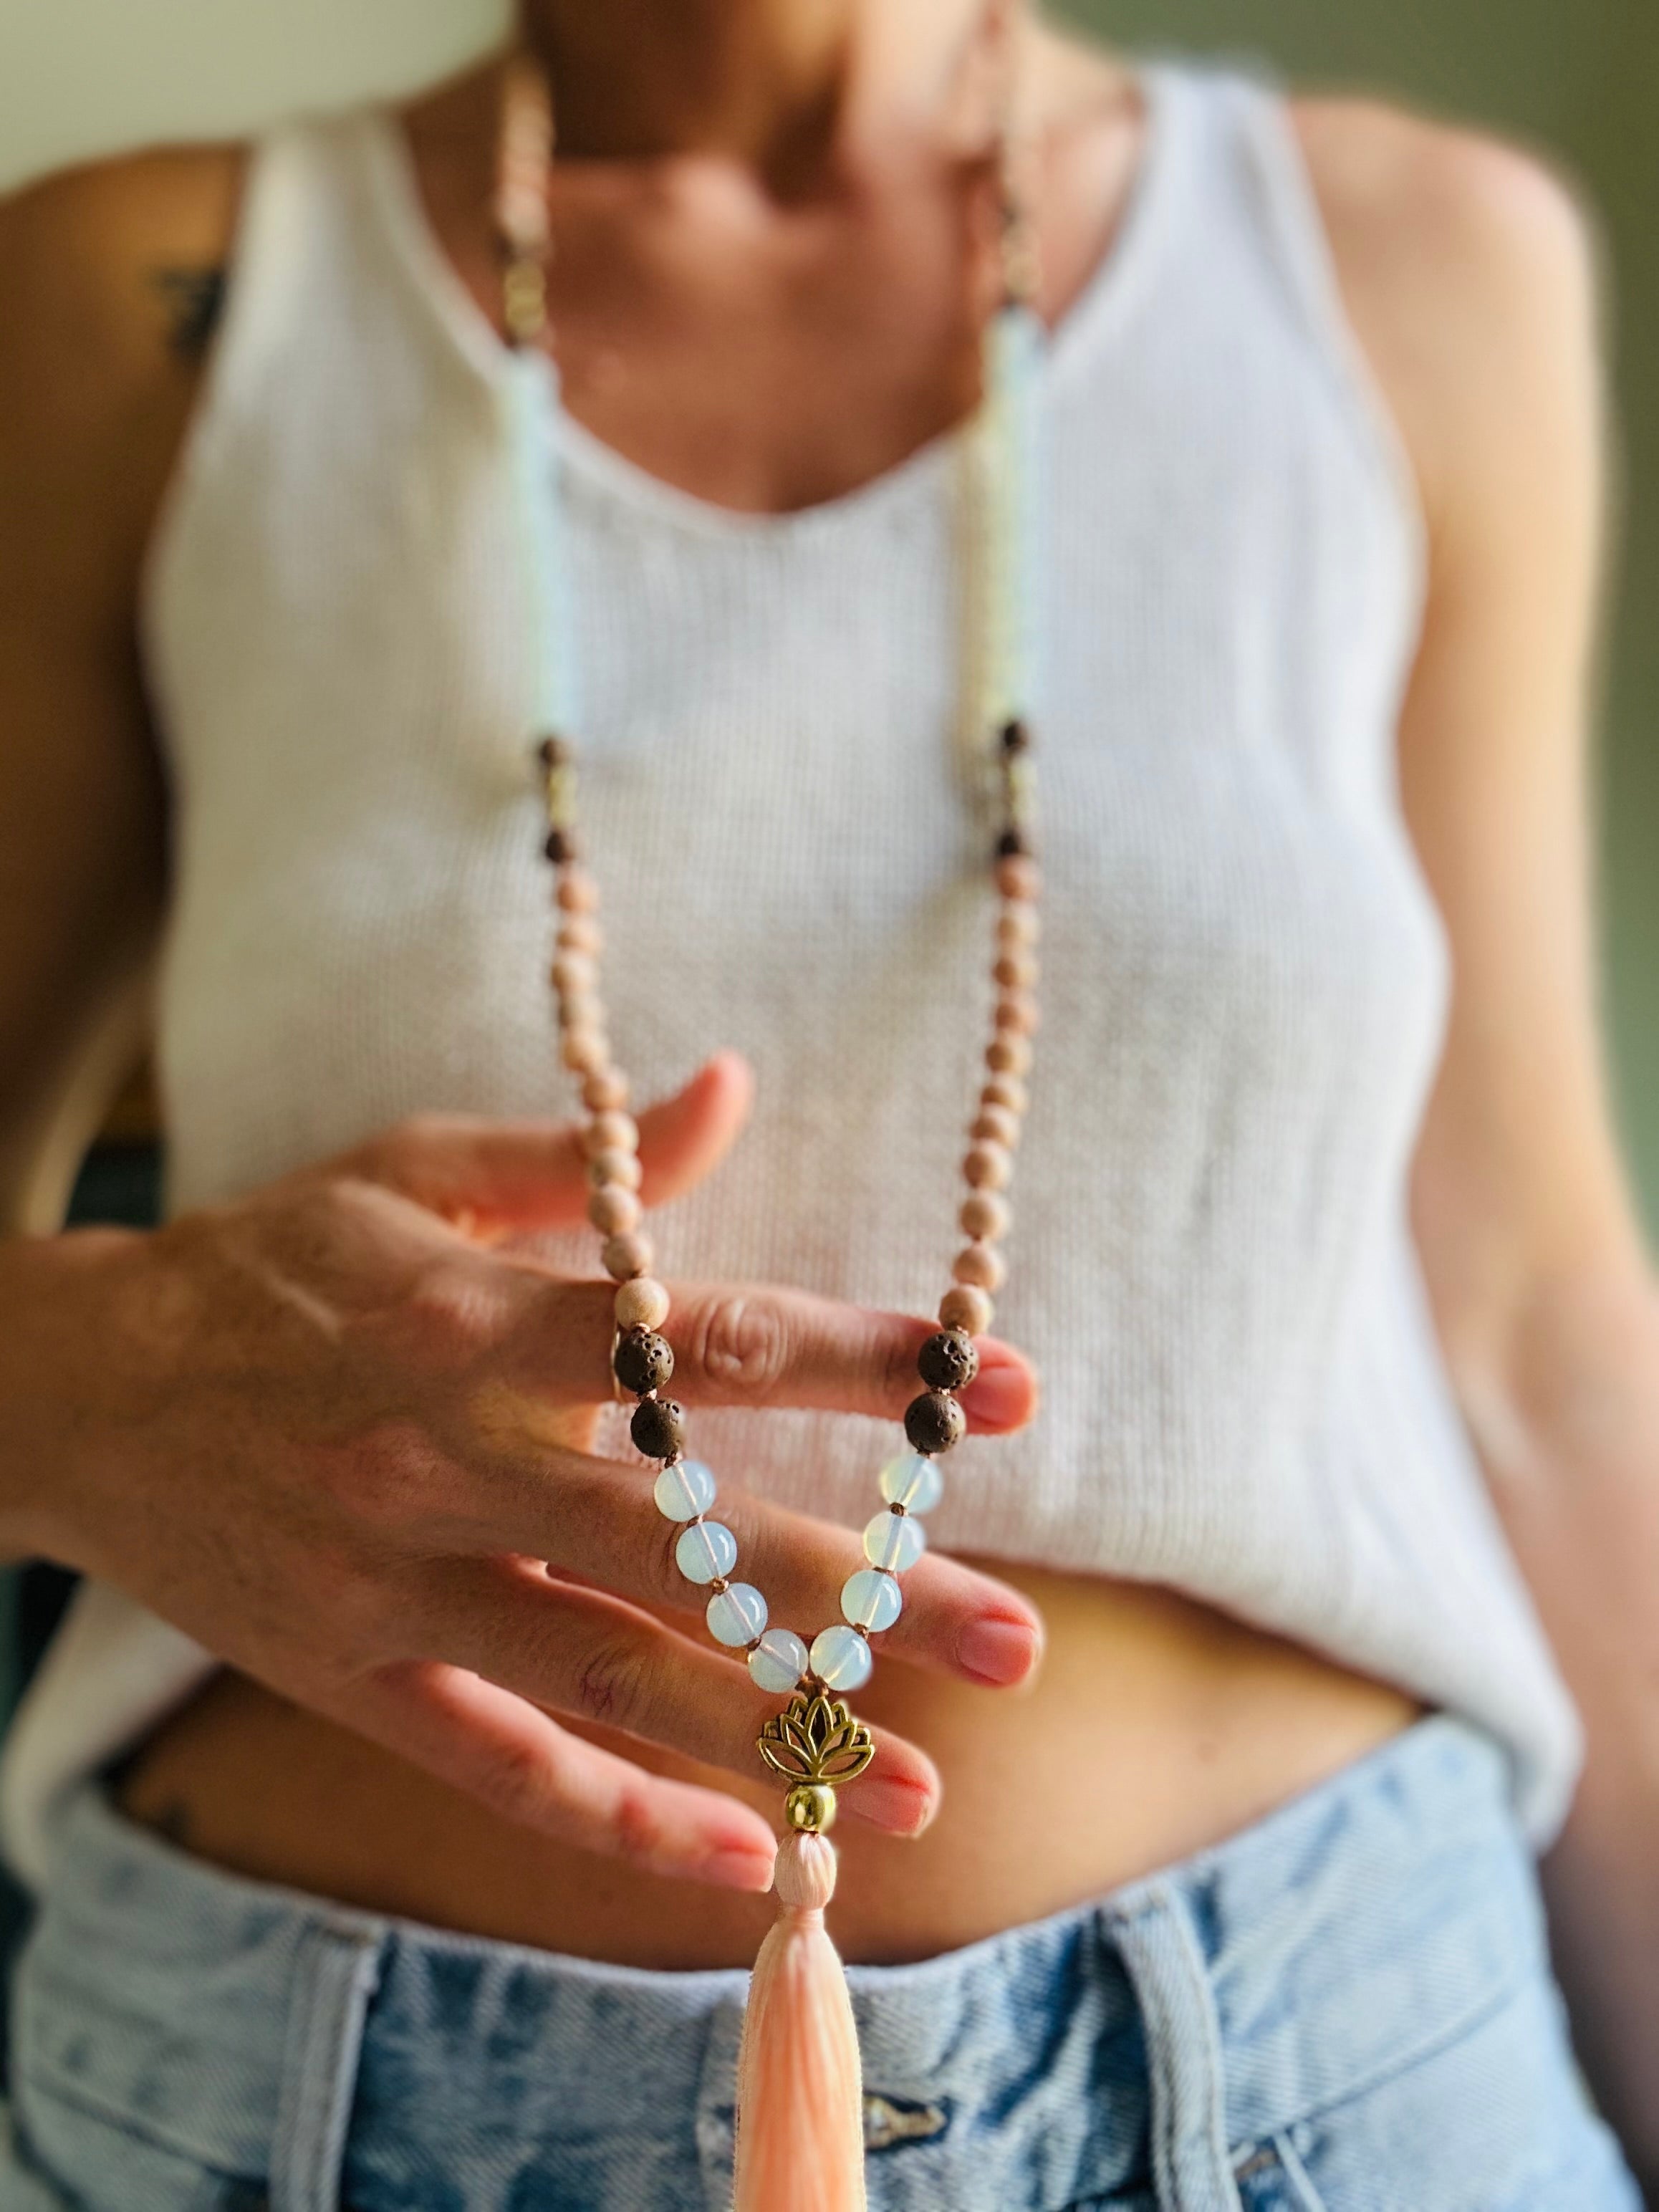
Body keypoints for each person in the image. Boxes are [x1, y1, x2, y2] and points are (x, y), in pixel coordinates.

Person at [0, 0, 1653, 2203]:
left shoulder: (1409, 264)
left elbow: (1536, 1331)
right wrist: (75, 1388)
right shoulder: (143, 300)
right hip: (318, 2109)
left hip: (1341, 2069)